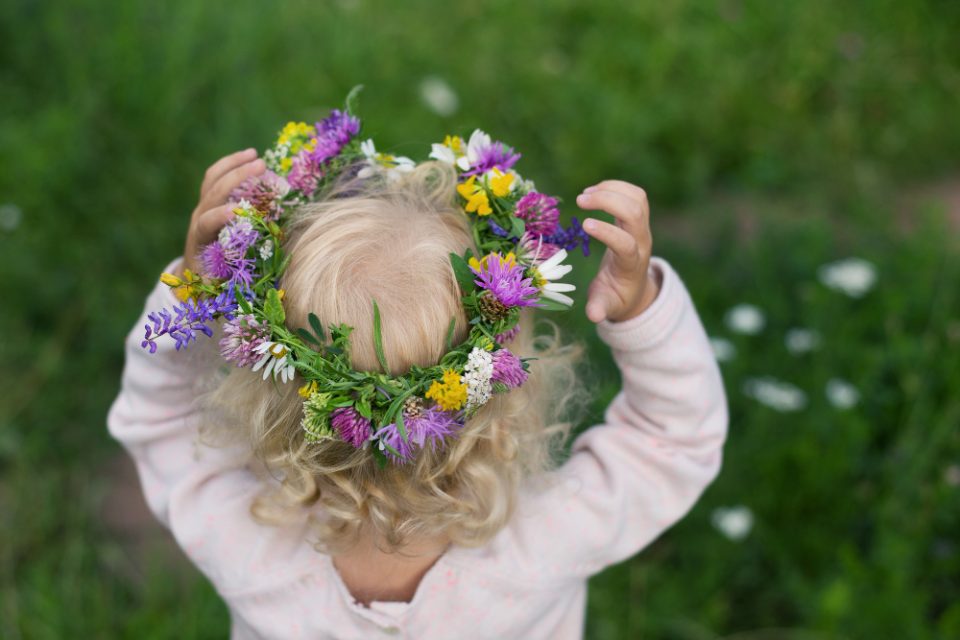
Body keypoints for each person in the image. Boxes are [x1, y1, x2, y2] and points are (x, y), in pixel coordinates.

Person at [108, 121, 728, 638]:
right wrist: (641, 306)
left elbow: (158, 420)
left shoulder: (247, 543)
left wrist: (196, 288)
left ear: (266, 392)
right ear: (499, 384)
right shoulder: (542, 544)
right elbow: (671, 440)